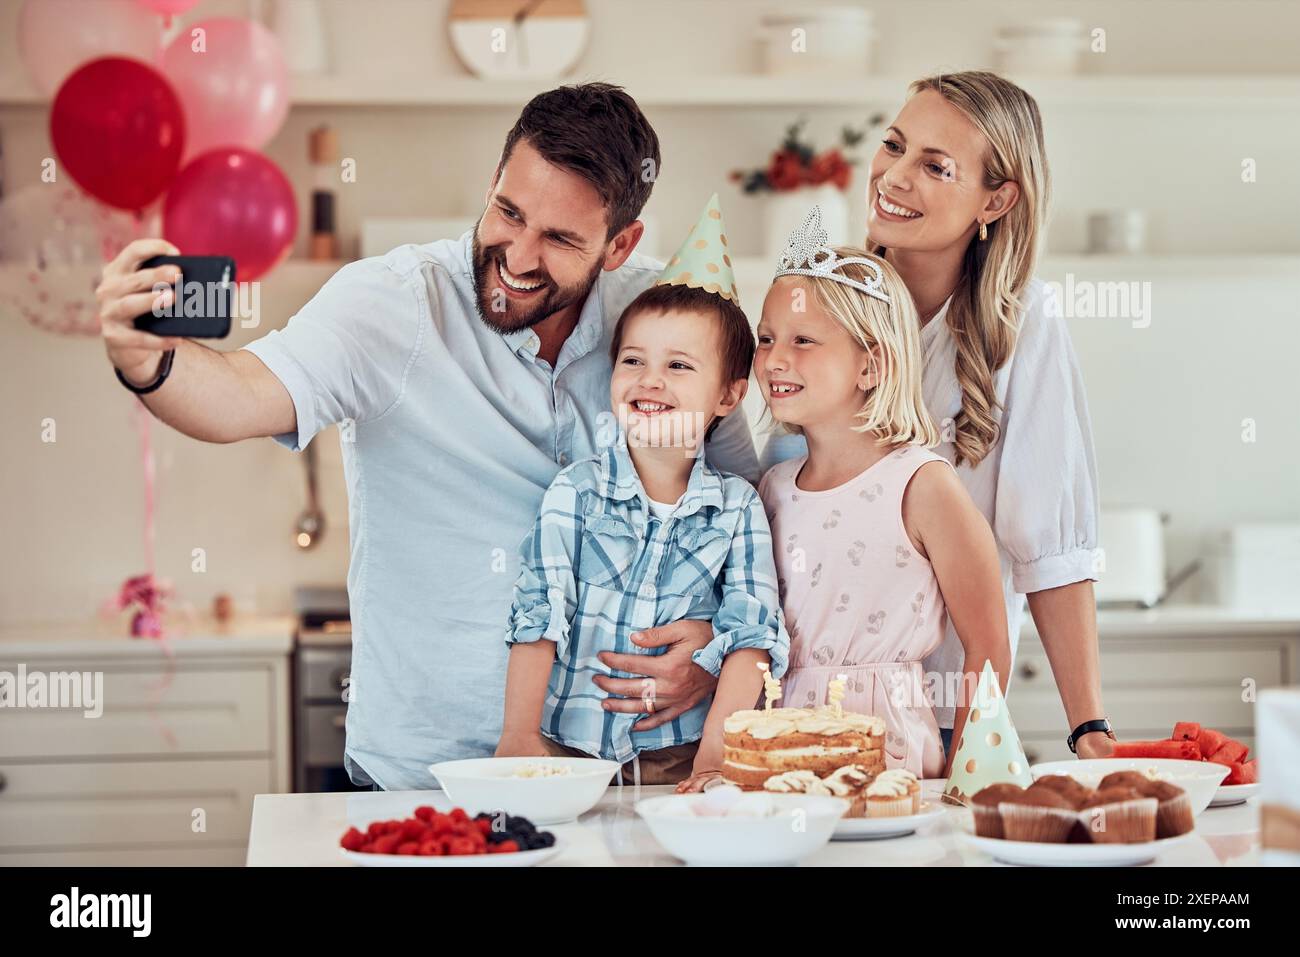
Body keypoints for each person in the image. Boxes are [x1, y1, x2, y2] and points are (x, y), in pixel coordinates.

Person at [94, 83, 758, 791]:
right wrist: (149, 363)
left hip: (632, 775)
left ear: (620, 244)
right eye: (509, 211)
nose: (519, 255)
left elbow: (748, 499)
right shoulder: (395, 304)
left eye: (561, 239)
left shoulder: (665, 321)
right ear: (493, 184)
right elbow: (242, 393)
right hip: (437, 774)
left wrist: (718, 647)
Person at [760, 72, 1112, 760]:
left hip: (940, 717)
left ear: (998, 198)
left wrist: (1088, 726)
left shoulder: (1024, 325)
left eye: (935, 166)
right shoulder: (820, 301)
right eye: (893, 146)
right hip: (795, 712)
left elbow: (1052, 546)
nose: (893, 176)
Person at [498, 196, 788, 790]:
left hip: (680, 759)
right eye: (633, 360)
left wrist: (715, 761)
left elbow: (751, 637)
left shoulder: (738, 509)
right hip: (569, 754)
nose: (649, 379)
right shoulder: (574, 493)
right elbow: (538, 614)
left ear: (729, 397)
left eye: (679, 366)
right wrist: (519, 735)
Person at [754, 209, 1010, 778]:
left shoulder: (922, 485)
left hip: (889, 754)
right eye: (766, 339)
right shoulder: (768, 491)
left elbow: (988, 642)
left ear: (871, 364)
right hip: (779, 753)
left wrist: (968, 776)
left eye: (803, 341)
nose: (774, 359)